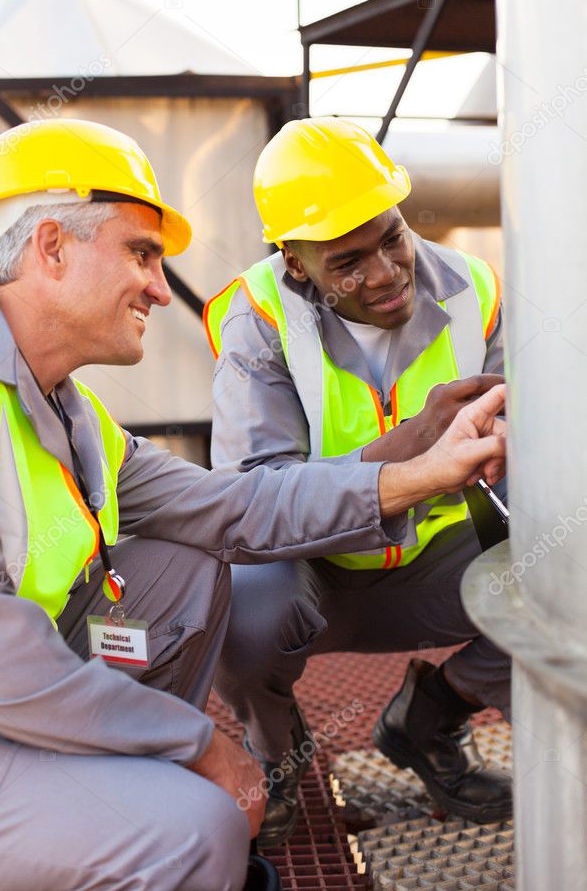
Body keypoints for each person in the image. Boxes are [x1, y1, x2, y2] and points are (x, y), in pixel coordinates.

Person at [0, 118, 506, 891]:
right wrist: (197, 746)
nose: (160, 286)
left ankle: (120, 808)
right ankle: (161, 832)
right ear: (51, 248)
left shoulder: (69, 410)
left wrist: (423, 470)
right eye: (141, 253)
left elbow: (236, 507)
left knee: (184, 566)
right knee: (198, 827)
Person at [204, 116, 512, 847]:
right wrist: (410, 452)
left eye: (392, 237)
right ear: (296, 263)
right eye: (347, 262)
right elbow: (253, 499)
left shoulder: (474, 289)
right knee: (235, 602)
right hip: (313, 580)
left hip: (441, 567)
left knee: (569, 577)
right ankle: (276, 759)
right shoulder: (260, 320)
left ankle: (430, 712)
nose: (383, 273)